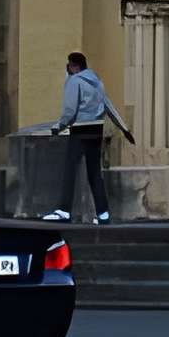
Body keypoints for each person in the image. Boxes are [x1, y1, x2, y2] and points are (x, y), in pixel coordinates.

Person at [52, 52, 129, 223]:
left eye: (69, 66)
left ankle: (64, 210)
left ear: (74, 66)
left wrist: (59, 127)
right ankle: (103, 213)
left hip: (80, 131)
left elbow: (70, 110)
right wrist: (124, 129)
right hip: (96, 130)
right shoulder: (97, 82)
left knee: (70, 170)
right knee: (94, 173)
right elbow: (108, 105)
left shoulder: (75, 81)